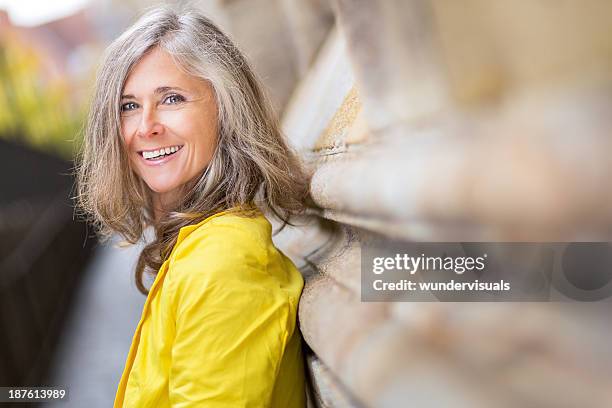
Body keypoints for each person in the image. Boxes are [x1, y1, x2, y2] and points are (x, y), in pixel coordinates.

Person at [74, 4, 312, 407]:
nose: (146, 125)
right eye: (128, 105)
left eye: (171, 98)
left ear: (226, 107)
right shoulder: (198, 246)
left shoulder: (225, 260)